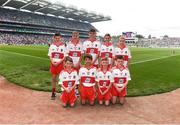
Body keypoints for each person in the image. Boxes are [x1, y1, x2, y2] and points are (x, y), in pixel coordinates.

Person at [48, 32, 67, 100]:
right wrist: (53, 61)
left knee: (61, 79)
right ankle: (53, 92)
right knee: (54, 79)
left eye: (58, 38)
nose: (57, 39)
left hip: (60, 64)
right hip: (53, 64)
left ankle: (62, 91)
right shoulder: (52, 46)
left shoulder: (63, 46)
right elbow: (50, 55)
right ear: (54, 38)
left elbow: (64, 56)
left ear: (60, 38)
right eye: (56, 38)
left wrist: (59, 62)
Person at [66, 31, 83, 97]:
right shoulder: (69, 44)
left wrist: (78, 63)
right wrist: (71, 64)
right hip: (70, 64)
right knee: (71, 77)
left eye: (76, 34)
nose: (75, 35)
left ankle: (76, 90)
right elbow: (67, 54)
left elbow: (81, 54)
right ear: (72, 35)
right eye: (74, 34)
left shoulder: (80, 44)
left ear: (78, 35)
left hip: (78, 64)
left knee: (77, 77)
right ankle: (70, 90)